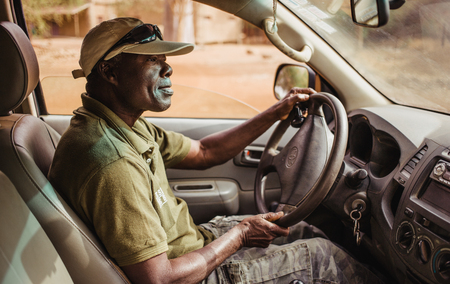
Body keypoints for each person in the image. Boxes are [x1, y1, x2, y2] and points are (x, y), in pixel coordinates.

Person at [48, 17, 384, 284]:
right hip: (190, 275)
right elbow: (161, 280)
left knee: (299, 228)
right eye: (153, 60)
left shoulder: (121, 125)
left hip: (193, 243)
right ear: (110, 71)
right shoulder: (111, 162)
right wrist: (239, 235)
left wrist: (275, 112)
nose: (168, 69)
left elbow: (205, 151)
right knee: (323, 258)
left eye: (165, 60)